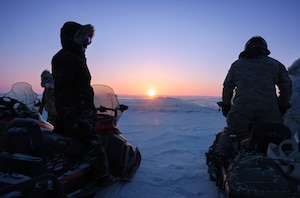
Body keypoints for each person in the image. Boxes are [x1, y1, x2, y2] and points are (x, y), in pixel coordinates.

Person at [51, 21, 114, 186]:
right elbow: (63, 91)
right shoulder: (66, 58)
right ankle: (104, 178)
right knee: (94, 144)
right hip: (76, 113)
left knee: (72, 145)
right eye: (85, 38)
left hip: (80, 110)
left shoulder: (74, 56)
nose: (88, 43)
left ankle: (76, 174)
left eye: (89, 39)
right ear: (74, 38)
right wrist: (70, 117)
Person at [216, 36, 292, 160]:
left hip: (242, 108)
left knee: (231, 133)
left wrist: (226, 104)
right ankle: (282, 164)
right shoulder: (275, 64)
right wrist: (282, 104)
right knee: (274, 135)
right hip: (269, 109)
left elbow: (228, 86)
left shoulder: (237, 64)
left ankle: (218, 159)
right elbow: (287, 86)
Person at [284, 58, 300, 143]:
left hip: (293, 113)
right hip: (294, 113)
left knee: (287, 135)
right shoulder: (295, 80)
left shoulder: (293, 80)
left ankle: (291, 152)